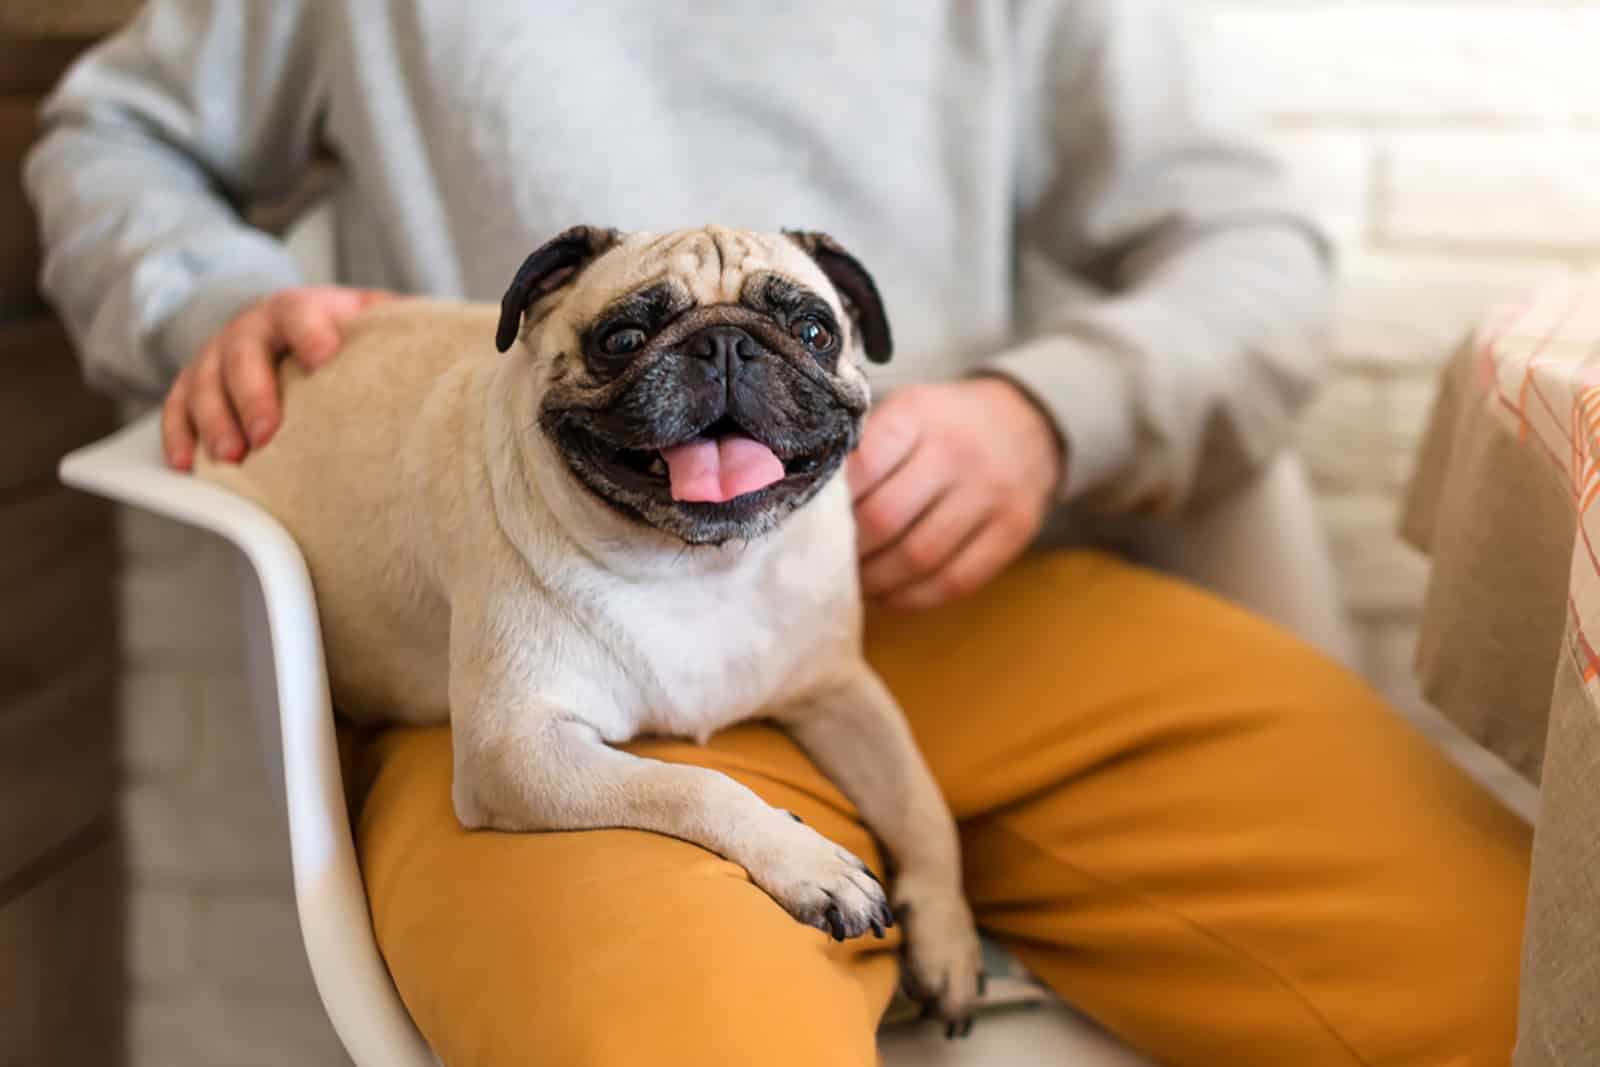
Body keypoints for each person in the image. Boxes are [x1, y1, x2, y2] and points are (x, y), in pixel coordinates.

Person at [27, 3, 1531, 1065]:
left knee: (1505, 973)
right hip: (522, 659)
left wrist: (1053, 412)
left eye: (787, 332)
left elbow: (1252, 248)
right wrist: (207, 303)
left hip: (957, 602)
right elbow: (108, 136)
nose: (727, 362)